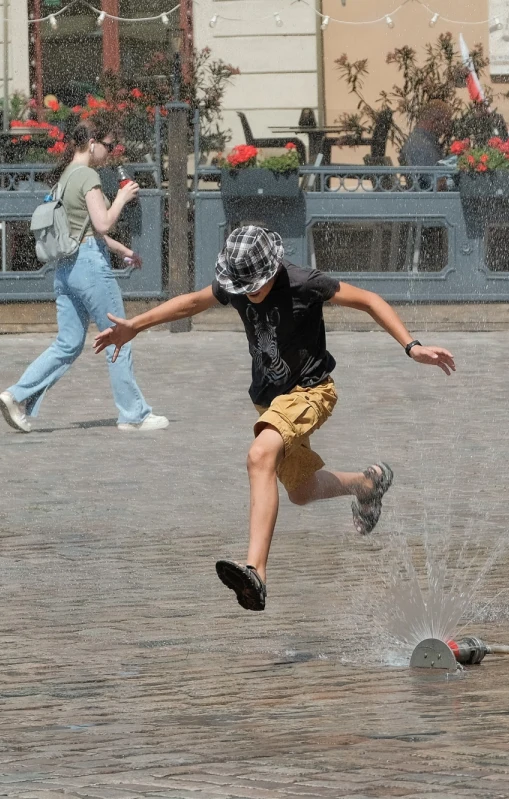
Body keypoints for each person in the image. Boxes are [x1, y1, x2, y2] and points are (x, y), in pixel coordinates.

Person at [92, 225, 455, 611]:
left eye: (255, 285)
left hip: (312, 393)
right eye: (242, 286)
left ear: (272, 268)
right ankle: (367, 484)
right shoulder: (236, 285)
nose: (248, 293)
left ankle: (256, 573)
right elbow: (189, 303)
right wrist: (135, 326)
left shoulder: (303, 282)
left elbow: (368, 300)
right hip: (270, 402)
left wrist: (411, 346)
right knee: (301, 491)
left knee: (259, 455)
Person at [0, 122, 167, 433]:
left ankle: (16, 396)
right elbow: (102, 224)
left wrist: (122, 251)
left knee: (68, 343)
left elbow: (82, 229)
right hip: (88, 267)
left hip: (65, 269)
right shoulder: (88, 176)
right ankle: (134, 415)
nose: (110, 152)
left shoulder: (63, 179)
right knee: (119, 335)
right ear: (91, 143)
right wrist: (122, 197)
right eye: (108, 145)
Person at [400, 99, 453, 167]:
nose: (447, 127)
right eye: (446, 122)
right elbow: (436, 176)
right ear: (434, 120)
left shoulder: (419, 142)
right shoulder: (422, 146)